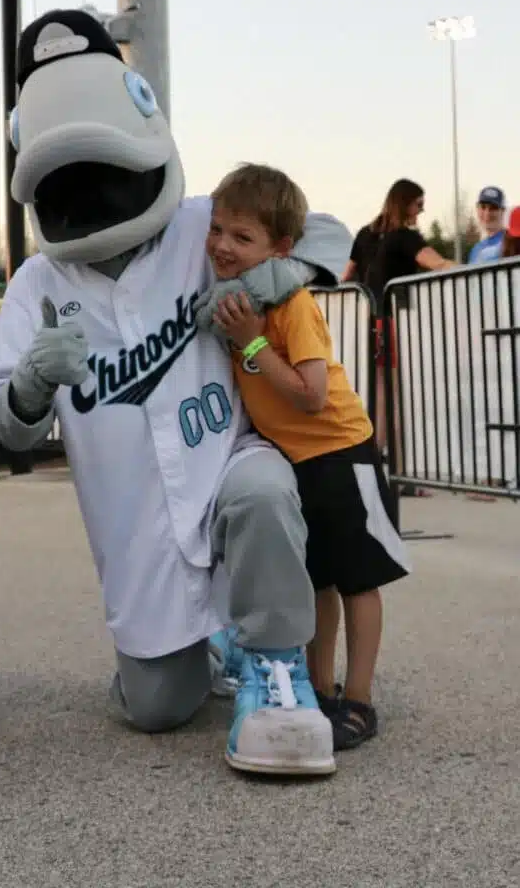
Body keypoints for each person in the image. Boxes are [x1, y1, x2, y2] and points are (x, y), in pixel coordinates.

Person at [0, 8, 353, 776]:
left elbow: (328, 234)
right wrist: (30, 379)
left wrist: (276, 276)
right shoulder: (35, 287)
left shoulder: (199, 227)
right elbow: (5, 428)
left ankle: (279, 670)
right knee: (157, 711)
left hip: (226, 467)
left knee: (263, 490)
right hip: (135, 524)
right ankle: (213, 647)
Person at [206, 163, 410, 751]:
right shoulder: (235, 303)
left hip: (343, 453)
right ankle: (321, 689)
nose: (223, 246)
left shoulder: (289, 305)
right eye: (218, 230)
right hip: (295, 462)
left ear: (280, 249)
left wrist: (252, 343)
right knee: (317, 582)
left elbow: (313, 395)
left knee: (358, 581)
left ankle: (362, 698)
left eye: (243, 238)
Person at [342, 179, 455, 479]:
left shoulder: (366, 233)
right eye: (419, 203)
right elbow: (436, 263)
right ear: (405, 203)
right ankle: (398, 469)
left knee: (376, 391)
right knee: (396, 395)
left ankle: (378, 461)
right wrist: (462, 269)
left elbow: (346, 276)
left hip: (364, 321)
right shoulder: (404, 237)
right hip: (392, 323)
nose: (422, 210)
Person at [468, 186, 508, 264]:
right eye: (483, 207)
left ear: (503, 211)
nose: (487, 213)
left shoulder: (512, 242)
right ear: (477, 209)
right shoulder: (476, 249)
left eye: (493, 208)